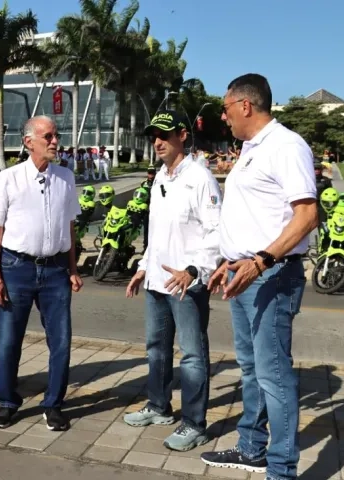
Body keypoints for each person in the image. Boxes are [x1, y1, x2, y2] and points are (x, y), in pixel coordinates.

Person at [202, 74, 318, 480]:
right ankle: (251, 447)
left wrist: (261, 261)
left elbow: (307, 215)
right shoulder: (252, 149)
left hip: (272, 274)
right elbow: (255, 216)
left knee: (274, 375)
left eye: (226, 107)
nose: (223, 115)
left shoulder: (285, 146)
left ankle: (281, 469)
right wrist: (230, 261)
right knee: (251, 368)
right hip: (245, 273)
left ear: (245, 106)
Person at [123, 109, 221, 452]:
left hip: (187, 284)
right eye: (154, 136)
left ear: (183, 135)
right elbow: (157, 231)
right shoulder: (161, 177)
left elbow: (216, 231)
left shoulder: (200, 178)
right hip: (157, 281)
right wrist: (143, 266)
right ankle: (159, 406)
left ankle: (194, 423)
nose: (158, 142)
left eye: (164, 135)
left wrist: (194, 270)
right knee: (156, 349)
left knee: (193, 355)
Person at [0, 115, 83, 431]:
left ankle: (53, 404)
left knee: (61, 341)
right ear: (29, 142)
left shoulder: (65, 177)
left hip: (55, 272)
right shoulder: (8, 179)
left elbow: (69, 226)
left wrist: (73, 268)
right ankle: (7, 402)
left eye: (56, 136)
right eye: (48, 136)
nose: (55, 141)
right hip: (16, 268)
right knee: (10, 340)